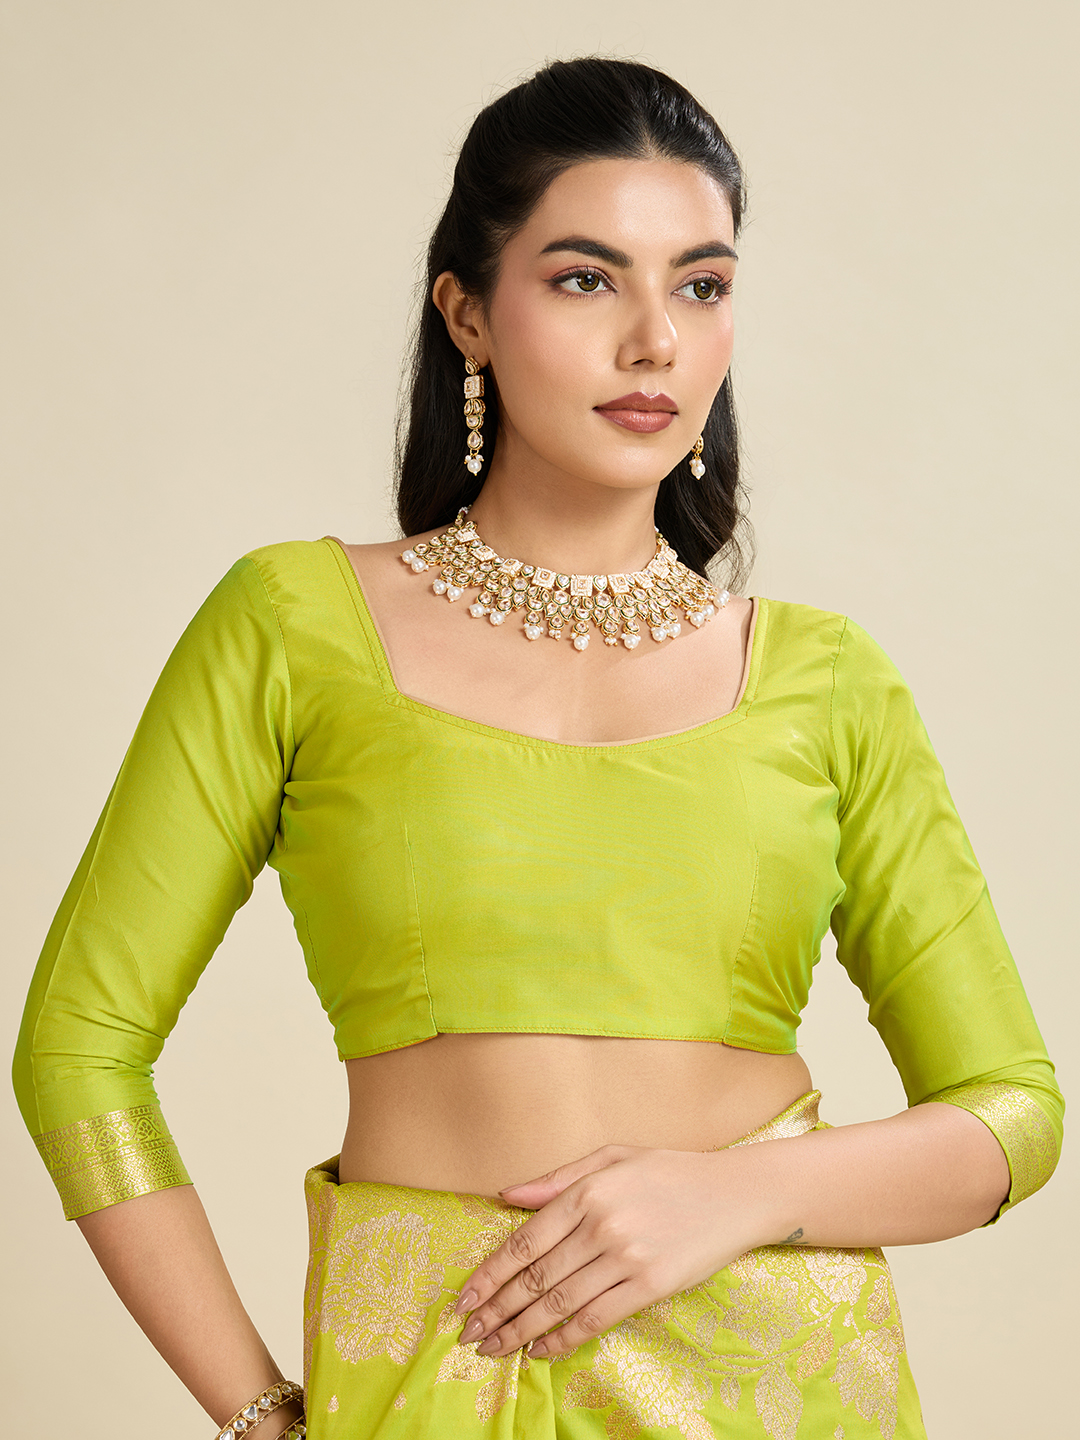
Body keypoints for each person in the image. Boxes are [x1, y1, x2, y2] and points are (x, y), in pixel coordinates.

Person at [13, 56, 1063, 1440]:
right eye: (585, 280)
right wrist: (260, 1415)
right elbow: (76, 1051)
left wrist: (733, 1195)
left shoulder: (825, 681)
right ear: (467, 311)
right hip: (430, 1372)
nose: (656, 341)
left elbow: (1013, 1117)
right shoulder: (293, 626)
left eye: (702, 285)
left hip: (776, 1375)